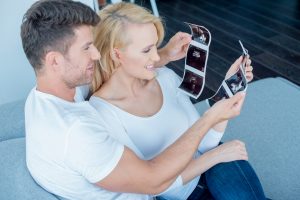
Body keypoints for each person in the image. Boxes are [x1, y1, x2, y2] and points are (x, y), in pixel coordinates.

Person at [22, 0, 248, 199]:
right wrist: (209, 121)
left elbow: (108, 69)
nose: (96, 55)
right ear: (54, 61)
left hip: (207, 162)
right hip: (177, 185)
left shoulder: (43, 96)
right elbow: (154, 183)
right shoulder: (83, 128)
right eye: (86, 48)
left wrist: (160, 59)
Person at [90, 2, 265, 200]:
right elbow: (155, 186)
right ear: (116, 54)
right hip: (186, 190)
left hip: (216, 160)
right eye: (147, 50)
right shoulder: (103, 112)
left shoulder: (165, 77)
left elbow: (205, 144)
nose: (157, 56)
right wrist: (215, 156)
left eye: (156, 46)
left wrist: (229, 92)